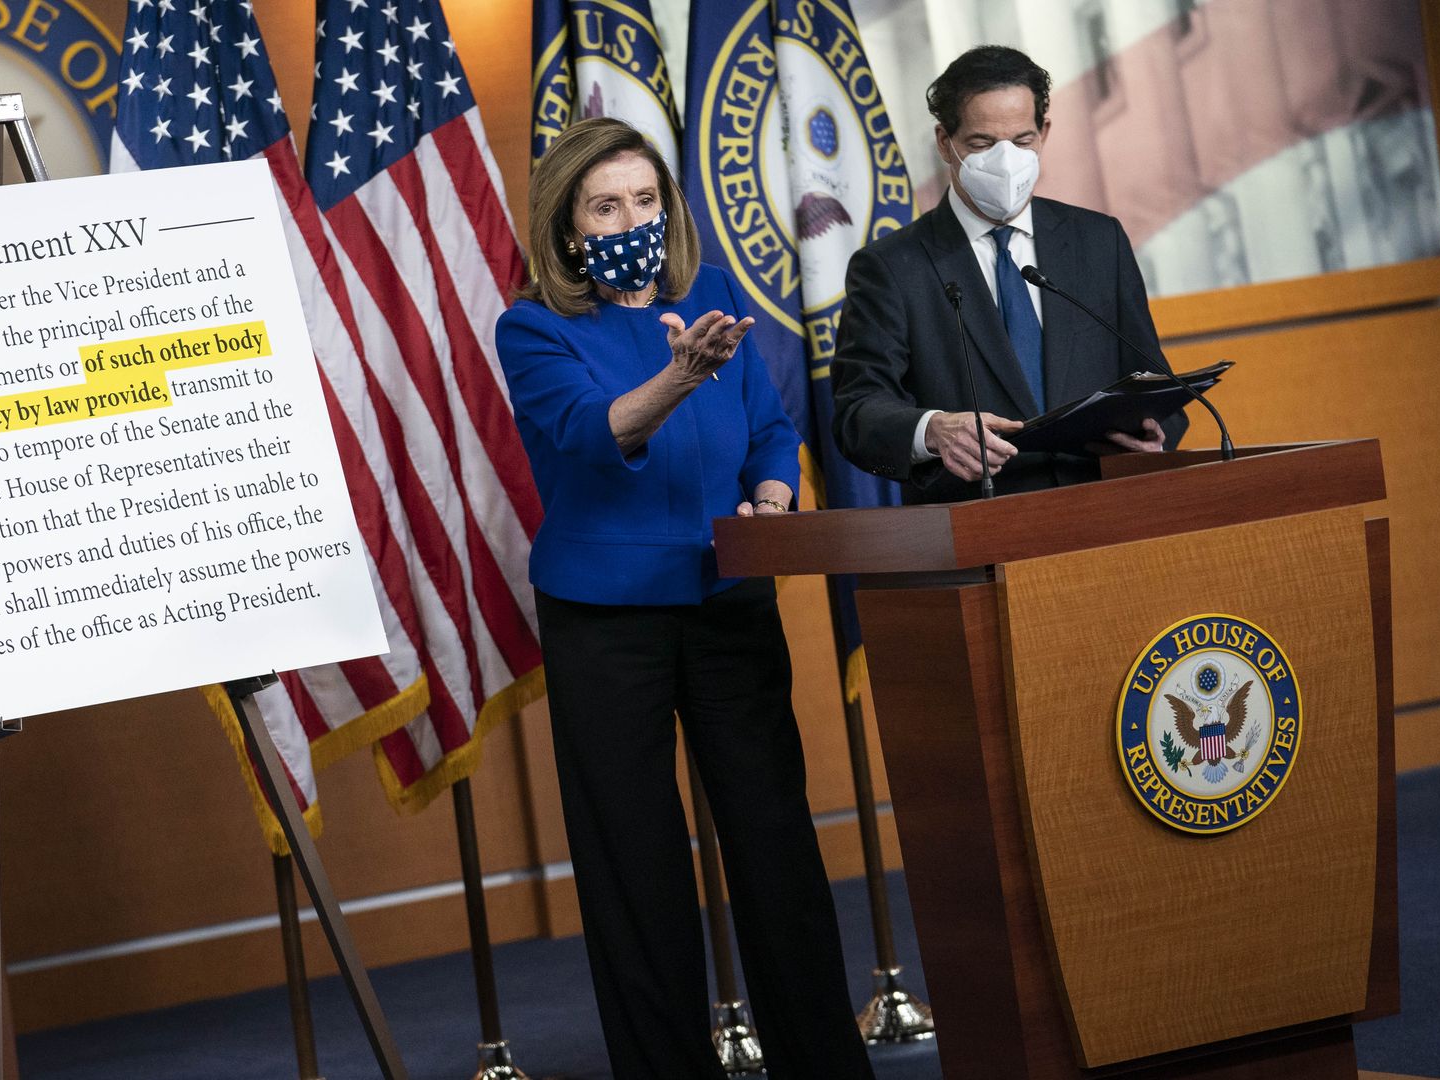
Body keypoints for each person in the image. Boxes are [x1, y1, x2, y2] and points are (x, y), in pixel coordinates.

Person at [494, 117, 874, 1080]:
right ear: (571, 229)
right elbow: (594, 431)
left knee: (775, 844)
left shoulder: (710, 296)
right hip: (606, 621)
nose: (633, 219)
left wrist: (775, 495)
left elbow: (769, 427)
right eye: (607, 205)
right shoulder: (535, 325)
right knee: (638, 868)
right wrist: (680, 375)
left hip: (727, 597)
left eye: (647, 200)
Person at [830, 45, 1186, 503]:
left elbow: (1154, 381)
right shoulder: (891, 267)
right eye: (981, 143)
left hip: (1108, 516)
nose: (1005, 161)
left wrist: (1156, 437)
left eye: (1021, 141)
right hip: (981, 533)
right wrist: (932, 430)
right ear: (945, 142)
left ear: (1044, 132)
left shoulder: (1099, 241)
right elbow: (857, 413)